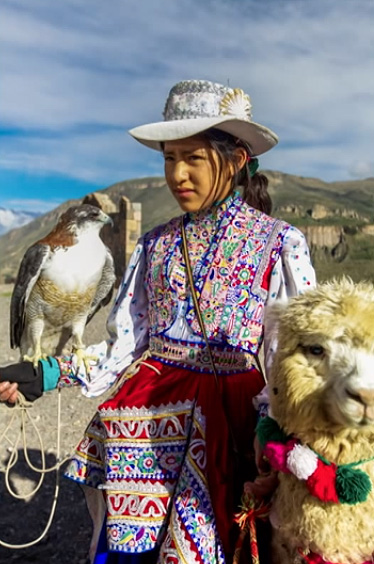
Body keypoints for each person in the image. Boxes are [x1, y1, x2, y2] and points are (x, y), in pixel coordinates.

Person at [0, 79, 316, 563]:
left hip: (233, 425)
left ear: (233, 160)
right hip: (148, 422)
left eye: (193, 158)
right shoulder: (155, 245)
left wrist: (274, 435)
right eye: (169, 158)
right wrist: (46, 374)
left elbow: (289, 361)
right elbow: (124, 348)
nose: (178, 174)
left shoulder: (280, 243)